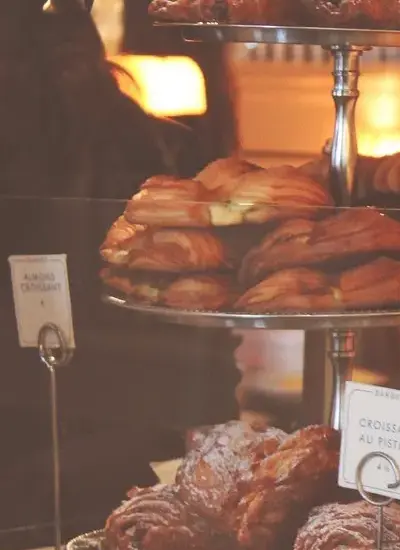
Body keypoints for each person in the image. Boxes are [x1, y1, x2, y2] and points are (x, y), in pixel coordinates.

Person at [0, 0, 240, 545]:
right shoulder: (160, 150)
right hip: (125, 450)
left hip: (56, 454)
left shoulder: (147, 155)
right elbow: (203, 334)